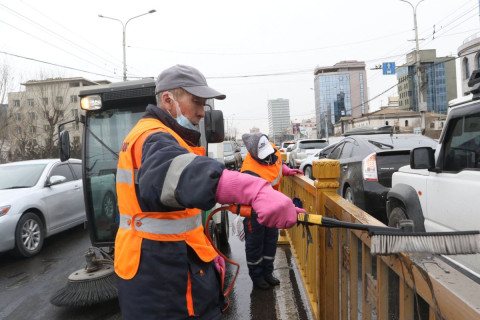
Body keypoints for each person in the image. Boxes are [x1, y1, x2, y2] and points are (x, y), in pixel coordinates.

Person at [114, 64, 305, 320]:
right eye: (197, 102)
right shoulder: (154, 137)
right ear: (168, 100)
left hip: (168, 269)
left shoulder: (165, 136)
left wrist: (207, 251)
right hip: (163, 282)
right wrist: (255, 191)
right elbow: (180, 173)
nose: (202, 113)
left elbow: (177, 211)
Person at [240, 133, 303, 290]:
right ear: (254, 154)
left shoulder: (272, 150)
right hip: (255, 213)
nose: (268, 156)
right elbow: (244, 196)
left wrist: (287, 170)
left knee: (270, 241)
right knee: (255, 245)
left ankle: (268, 273)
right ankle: (257, 277)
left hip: (273, 210)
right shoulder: (249, 170)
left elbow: (278, 164)